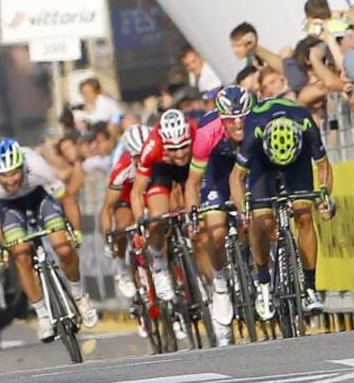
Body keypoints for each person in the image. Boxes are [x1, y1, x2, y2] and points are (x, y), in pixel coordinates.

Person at [0, 139, 98, 341]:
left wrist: (76, 231)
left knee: (63, 249)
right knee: (21, 257)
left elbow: (67, 199)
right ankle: (42, 315)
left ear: (22, 167)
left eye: (14, 173)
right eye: (4, 176)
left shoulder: (37, 167)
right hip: (11, 208)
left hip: (40, 198)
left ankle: (79, 297)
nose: (10, 181)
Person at [230, 93, 334, 319]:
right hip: (263, 162)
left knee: (304, 215)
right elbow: (236, 177)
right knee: (261, 220)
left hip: (297, 159)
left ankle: (310, 287)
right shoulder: (255, 129)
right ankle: (263, 284)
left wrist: (325, 198)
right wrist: (243, 210)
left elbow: (324, 167)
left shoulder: (306, 123)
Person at [183, 86, 255, 346]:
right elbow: (192, 183)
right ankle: (221, 283)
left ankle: (255, 263)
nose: (237, 124)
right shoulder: (206, 133)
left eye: (243, 117)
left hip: (247, 169)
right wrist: (194, 215)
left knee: (258, 214)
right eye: (231, 119)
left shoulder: (258, 124)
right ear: (221, 117)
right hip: (216, 172)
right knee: (215, 231)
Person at [130, 109, 197, 302]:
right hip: (162, 172)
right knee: (157, 219)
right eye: (173, 149)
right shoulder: (152, 146)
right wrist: (140, 224)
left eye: (184, 146)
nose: (179, 154)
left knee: (198, 213)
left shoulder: (196, 131)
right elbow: (136, 192)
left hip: (193, 169)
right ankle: (159, 264)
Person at [100, 124, 150, 300]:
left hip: (151, 190)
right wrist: (109, 239)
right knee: (122, 226)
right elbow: (106, 208)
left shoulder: (159, 156)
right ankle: (121, 265)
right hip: (127, 195)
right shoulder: (122, 167)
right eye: (138, 157)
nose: (143, 161)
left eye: (145, 156)